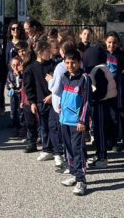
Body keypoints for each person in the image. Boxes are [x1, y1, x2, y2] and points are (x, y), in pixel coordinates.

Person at [54, 50, 91, 196]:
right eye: (67, 62)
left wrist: (83, 120)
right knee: (68, 149)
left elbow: (87, 102)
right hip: (64, 120)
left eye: (73, 62)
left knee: (78, 150)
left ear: (79, 62)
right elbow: (64, 95)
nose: (70, 65)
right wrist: (61, 107)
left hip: (77, 122)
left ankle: (82, 180)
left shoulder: (84, 78)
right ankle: (75, 175)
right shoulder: (64, 77)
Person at [47, 40, 77, 169]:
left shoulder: (61, 66)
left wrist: (50, 80)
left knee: (61, 133)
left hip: (60, 103)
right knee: (72, 136)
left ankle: (67, 160)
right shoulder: (77, 64)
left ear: (62, 51)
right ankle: (74, 161)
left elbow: (56, 87)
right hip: (71, 104)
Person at [23, 41, 54, 160]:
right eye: (47, 51)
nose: (50, 53)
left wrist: (52, 95)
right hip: (41, 102)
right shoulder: (30, 68)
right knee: (44, 126)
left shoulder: (52, 65)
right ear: (40, 52)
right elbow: (28, 87)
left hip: (53, 99)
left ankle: (55, 148)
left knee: (54, 126)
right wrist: (32, 102)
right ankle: (47, 149)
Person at [88, 51, 118, 169]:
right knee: (100, 131)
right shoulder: (104, 68)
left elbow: (101, 90)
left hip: (101, 104)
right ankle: (100, 154)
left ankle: (102, 157)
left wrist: (93, 98)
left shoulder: (98, 70)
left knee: (99, 131)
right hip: (107, 103)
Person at [6, 56, 24, 136]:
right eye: (13, 65)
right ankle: (15, 127)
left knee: (21, 112)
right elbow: (7, 83)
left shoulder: (23, 73)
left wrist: (19, 75)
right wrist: (9, 85)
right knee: (13, 111)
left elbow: (25, 83)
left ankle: (22, 128)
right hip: (14, 95)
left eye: (17, 65)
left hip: (21, 94)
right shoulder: (10, 74)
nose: (15, 67)